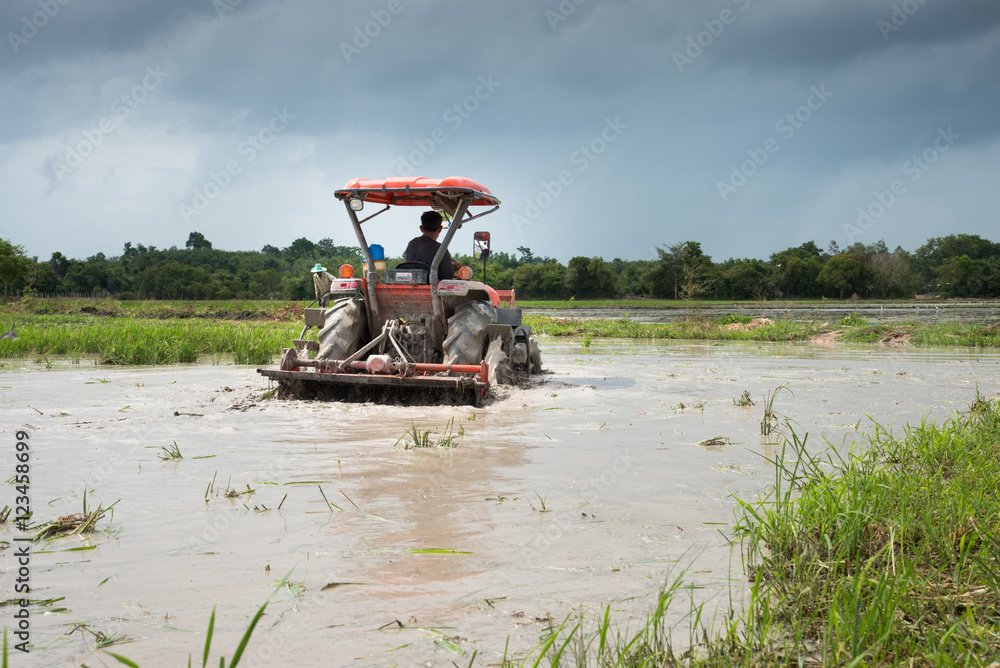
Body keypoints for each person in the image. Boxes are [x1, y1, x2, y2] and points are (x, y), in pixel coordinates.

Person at [403, 211, 462, 280]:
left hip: (411, 284)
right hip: (431, 288)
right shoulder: (440, 249)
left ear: (421, 228)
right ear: (440, 229)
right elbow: (447, 276)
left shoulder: (412, 244)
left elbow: (419, 266)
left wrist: (451, 267)